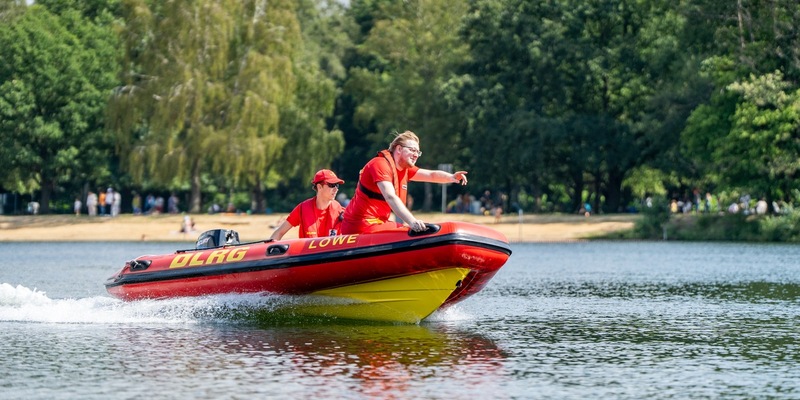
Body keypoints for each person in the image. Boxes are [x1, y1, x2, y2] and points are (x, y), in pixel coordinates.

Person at [341, 130, 468, 234]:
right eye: (412, 150)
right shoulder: (380, 164)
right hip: (360, 225)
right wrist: (412, 222)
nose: (416, 155)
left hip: (378, 224)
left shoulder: (405, 169)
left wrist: (452, 177)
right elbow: (390, 196)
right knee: (406, 233)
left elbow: (431, 175)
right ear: (399, 149)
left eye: (418, 152)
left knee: (406, 232)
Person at [269, 169, 346, 240]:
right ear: (319, 187)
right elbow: (279, 232)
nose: (336, 189)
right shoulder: (302, 209)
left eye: (337, 185)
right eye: (332, 185)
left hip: (332, 255)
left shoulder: (341, 212)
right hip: (308, 254)